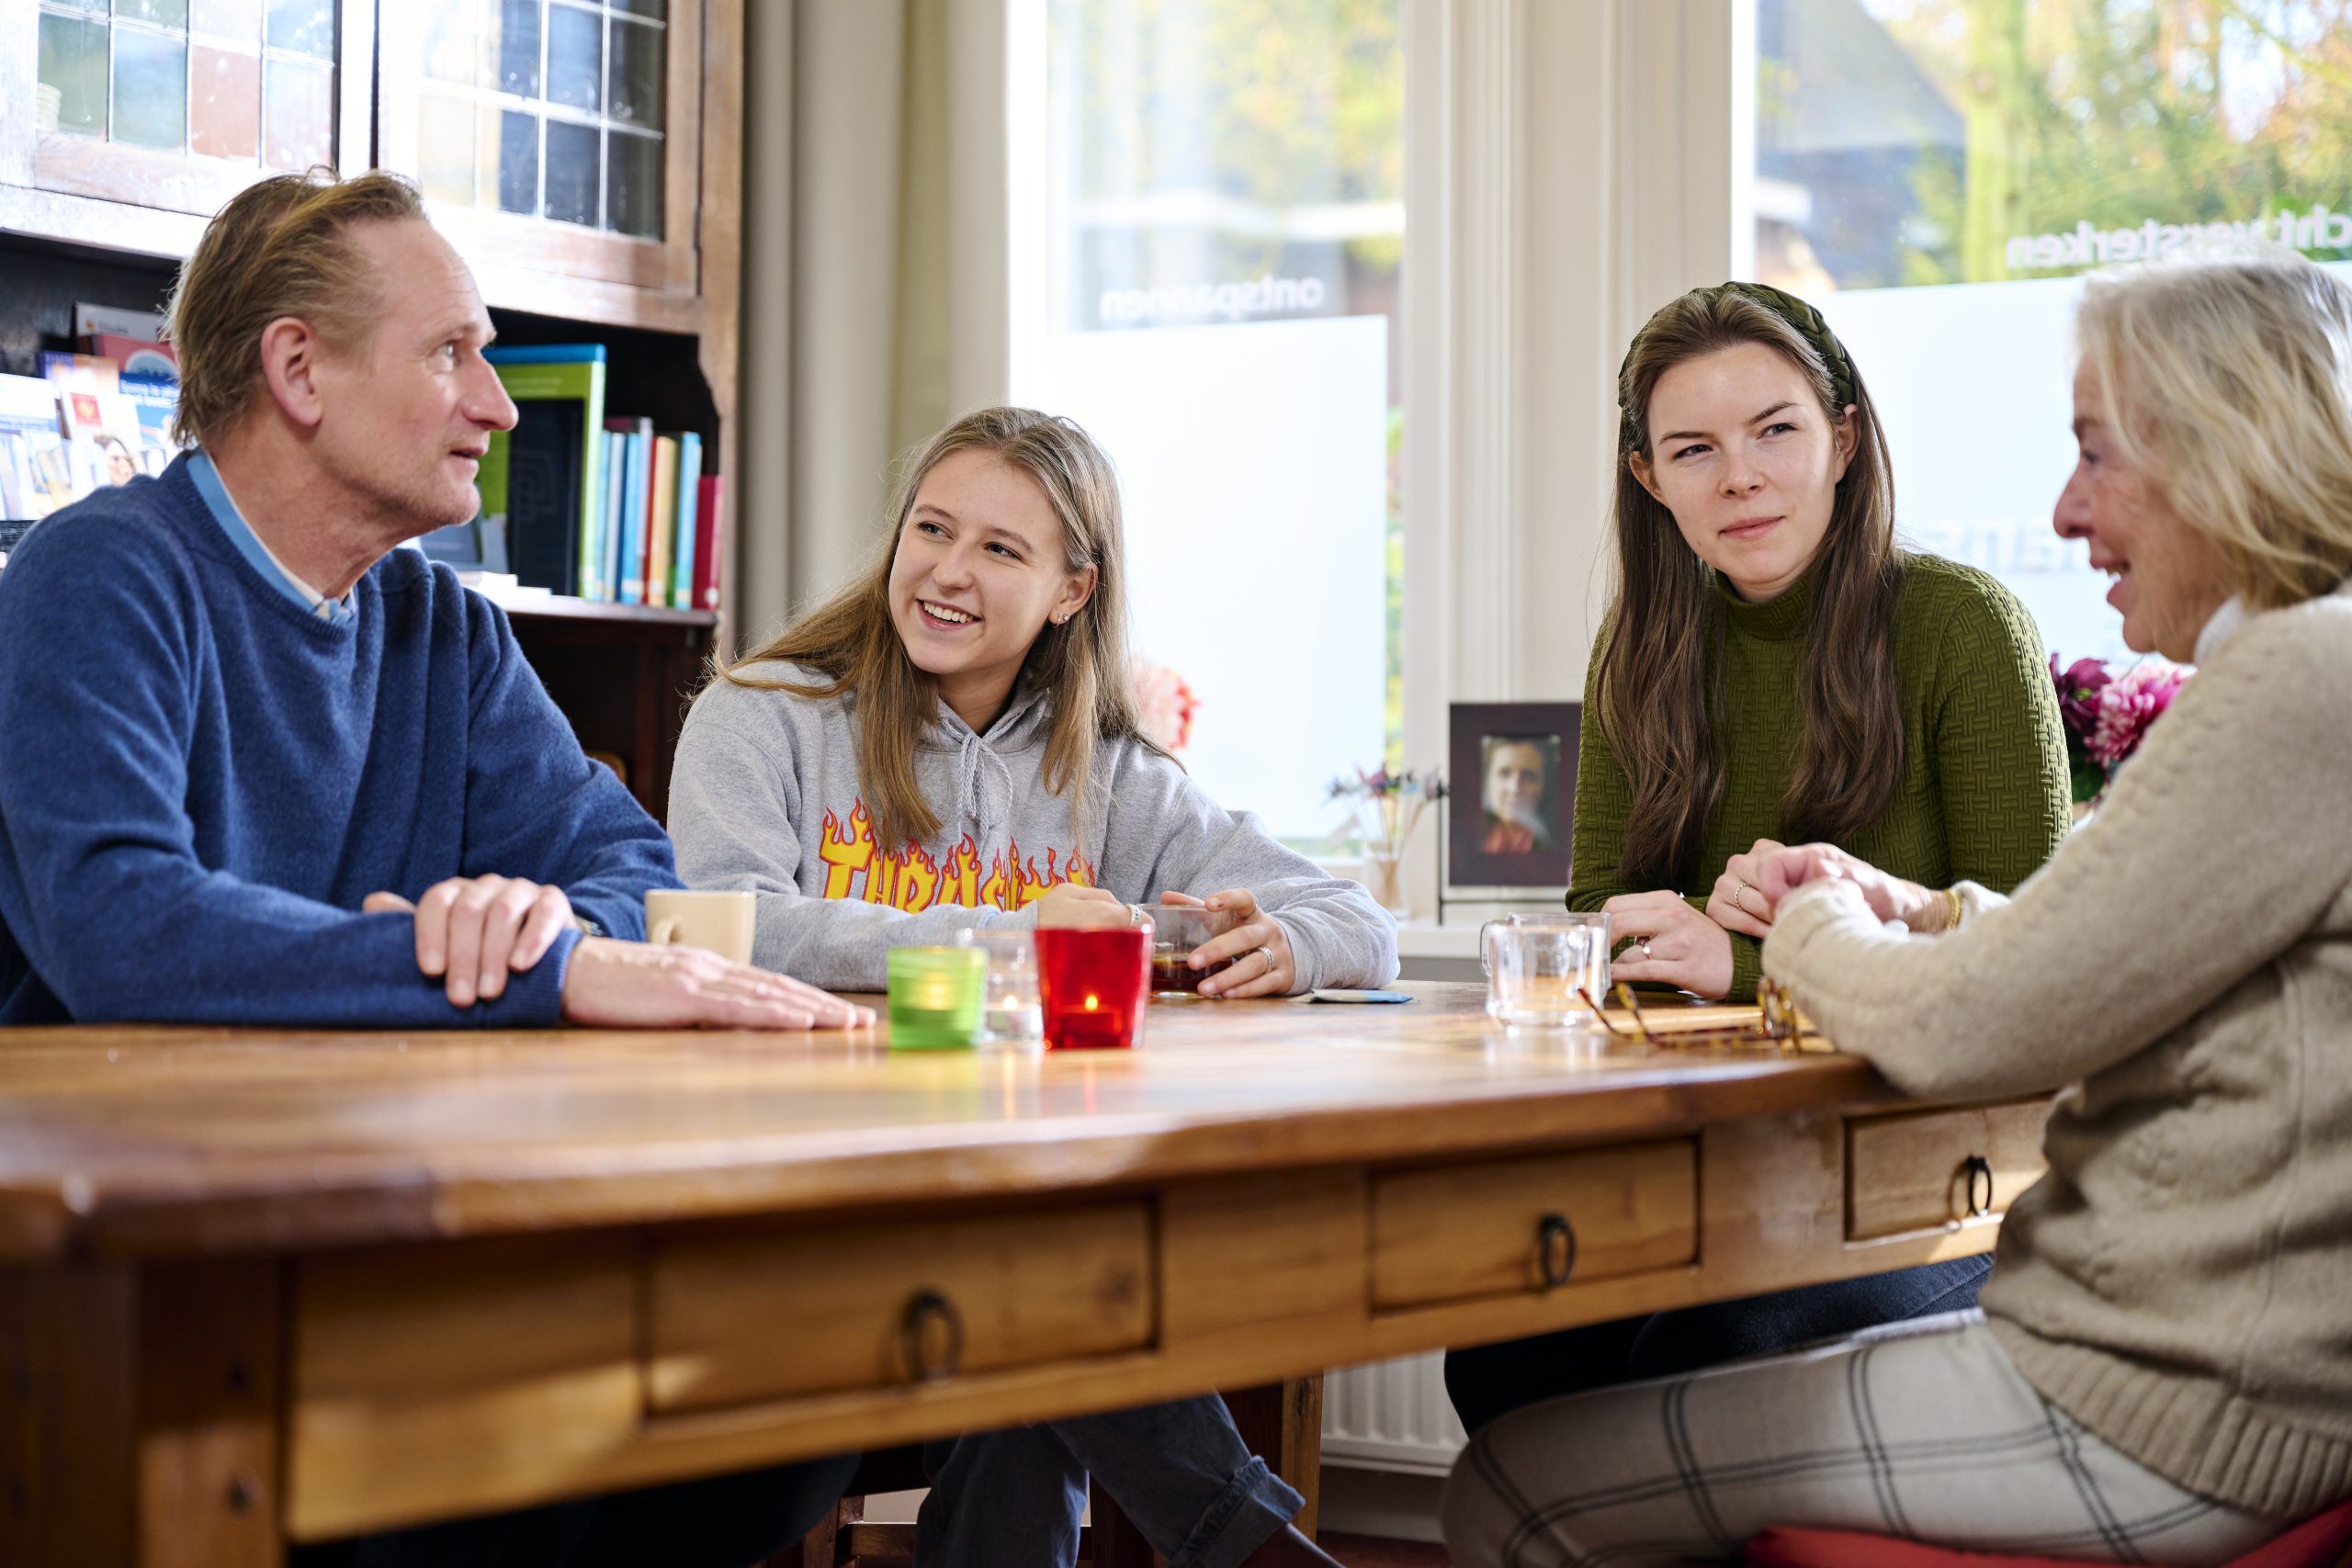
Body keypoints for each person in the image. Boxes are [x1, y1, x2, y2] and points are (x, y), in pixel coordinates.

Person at [0, 169, 864, 1563]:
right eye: (454, 351)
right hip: (149, 1271)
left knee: (782, 1415)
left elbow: (631, 865)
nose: (503, 403)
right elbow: (121, 924)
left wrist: (530, 921)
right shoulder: (95, 576)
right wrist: (507, 963)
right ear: (298, 369)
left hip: (389, 1229)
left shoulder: (436, 625)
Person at [1442, 252, 2352, 1566]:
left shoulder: (2290, 681)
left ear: (2225, 448)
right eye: (1693, 448)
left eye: (2097, 452)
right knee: (1526, 1351)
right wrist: (1906, 908)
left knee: (1507, 1486)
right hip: (2181, 1361)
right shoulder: (2308, 667)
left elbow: (1998, 1016)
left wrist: (1796, 926)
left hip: (2160, 1393)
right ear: (1649, 477)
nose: (2063, 506)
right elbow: (2069, 940)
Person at [670, 404, 1399, 1567]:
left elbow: (1358, 917)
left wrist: (1292, 948)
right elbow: (732, 927)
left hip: (1012, 1202)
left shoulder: (1108, 774)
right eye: (932, 530)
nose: (947, 573)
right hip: (803, 1211)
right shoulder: (764, 716)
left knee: (1044, 1266)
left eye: (1001, 550)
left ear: (1072, 590)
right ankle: (1254, 1549)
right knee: (1061, 1273)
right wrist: (1012, 934)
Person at [1444, 281, 2070, 1442]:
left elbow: (2038, 955)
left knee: (1709, 1350)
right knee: (1502, 1353)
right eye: (1693, 449)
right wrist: (1704, 935)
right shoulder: (1636, 653)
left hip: (1953, 1181)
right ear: (1649, 479)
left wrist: (1741, 956)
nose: (1738, 477)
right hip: (1734, 1163)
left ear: (1841, 438)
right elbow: (1598, 913)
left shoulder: (1962, 624)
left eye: (1774, 430)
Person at [1480, 736, 1554, 854]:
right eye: (1504, 774)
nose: (1514, 789)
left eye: (1528, 776)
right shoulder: (1473, 835)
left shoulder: (1547, 845)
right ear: (1488, 779)